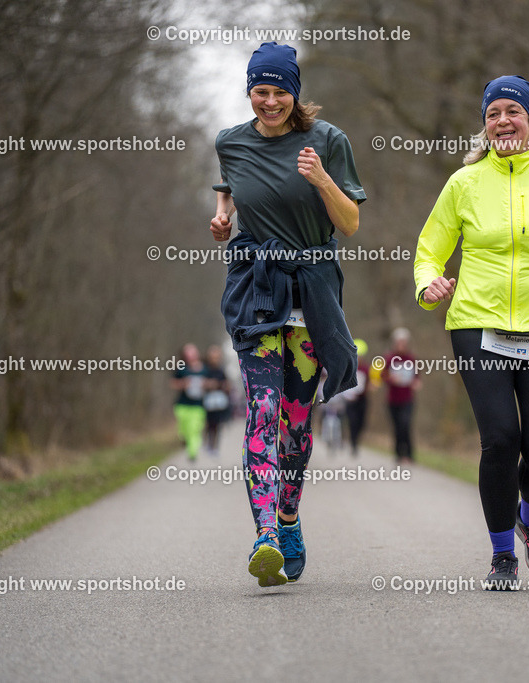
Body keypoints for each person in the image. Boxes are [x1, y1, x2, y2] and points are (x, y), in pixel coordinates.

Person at [413, 76, 529, 590]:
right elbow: (429, 249)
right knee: (500, 439)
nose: (503, 121)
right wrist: (429, 284)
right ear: (484, 124)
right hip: (477, 324)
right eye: (493, 113)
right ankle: (502, 555)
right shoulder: (464, 183)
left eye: (513, 111)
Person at [209, 42, 366, 587]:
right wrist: (223, 217)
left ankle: (289, 517)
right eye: (261, 91)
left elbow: (349, 224)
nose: (270, 101)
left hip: (312, 291)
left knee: (296, 422)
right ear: (249, 91)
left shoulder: (329, 141)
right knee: (262, 410)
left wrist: (321, 179)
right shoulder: (231, 141)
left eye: (280, 92)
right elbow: (231, 186)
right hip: (256, 289)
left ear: (295, 93)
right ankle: (266, 537)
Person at [384, 328, 420, 463]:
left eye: (403, 342)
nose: (401, 345)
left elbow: (417, 376)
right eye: (399, 342)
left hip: (407, 399)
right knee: (397, 427)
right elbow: (382, 375)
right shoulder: (389, 358)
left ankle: (409, 454)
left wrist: (416, 382)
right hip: (393, 399)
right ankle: (398, 454)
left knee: (405, 424)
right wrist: (391, 379)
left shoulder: (411, 358)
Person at [171, 343, 209, 461]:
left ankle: (192, 452)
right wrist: (184, 383)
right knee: (183, 430)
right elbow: (173, 383)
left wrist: (206, 384)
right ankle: (185, 440)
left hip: (198, 405)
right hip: (182, 405)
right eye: (188, 352)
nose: (190, 355)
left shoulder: (205, 369)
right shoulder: (181, 368)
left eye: (192, 352)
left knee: (194, 429)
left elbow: (212, 383)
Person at [342, 338, 370, 456]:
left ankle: (356, 439)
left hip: (362, 400)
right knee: (352, 421)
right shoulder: (348, 366)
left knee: (361, 423)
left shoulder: (366, 368)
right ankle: (352, 442)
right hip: (350, 400)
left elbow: (370, 383)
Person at [203, 344, 232, 456]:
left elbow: (227, 385)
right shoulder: (205, 370)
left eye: (216, 357)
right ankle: (207, 443)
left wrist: (223, 386)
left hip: (219, 402)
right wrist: (208, 384)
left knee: (217, 425)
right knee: (208, 424)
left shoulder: (221, 371)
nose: (214, 359)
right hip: (207, 401)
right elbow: (201, 384)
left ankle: (215, 447)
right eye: (213, 357)